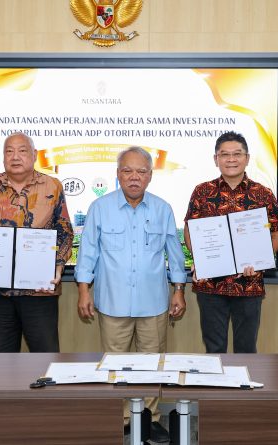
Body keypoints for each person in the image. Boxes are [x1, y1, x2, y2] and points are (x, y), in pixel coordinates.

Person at [75, 146, 187, 443]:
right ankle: (124, 418)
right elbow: (88, 252)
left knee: (152, 363)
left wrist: (179, 290)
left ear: (150, 176)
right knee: (116, 364)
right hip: (113, 302)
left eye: (141, 171)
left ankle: (151, 419)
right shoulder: (100, 208)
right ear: (118, 174)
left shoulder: (162, 208)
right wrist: (84, 291)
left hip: (154, 303)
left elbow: (175, 254)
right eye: (127, 171)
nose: (134, 177)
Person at [0, 132, 74, 353]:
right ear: (3, 157)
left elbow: (64, 231)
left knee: (44, 357)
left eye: (22, 151)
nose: (15, 156)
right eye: (9, 151)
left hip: (40, 291)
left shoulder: (52, 186)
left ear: (34, 155)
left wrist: (57, 266)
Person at [184, 131, 278, 354]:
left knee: (246, 349)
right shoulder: (202, 192)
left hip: (248, 283)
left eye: (237, 154)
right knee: (214, 349)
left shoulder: (263, 193)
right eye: (225, 154)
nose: (231, 159)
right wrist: (201, 259)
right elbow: (190, 229)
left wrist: (261, 260)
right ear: (216, 159)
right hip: (210, 284)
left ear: (247, 158)